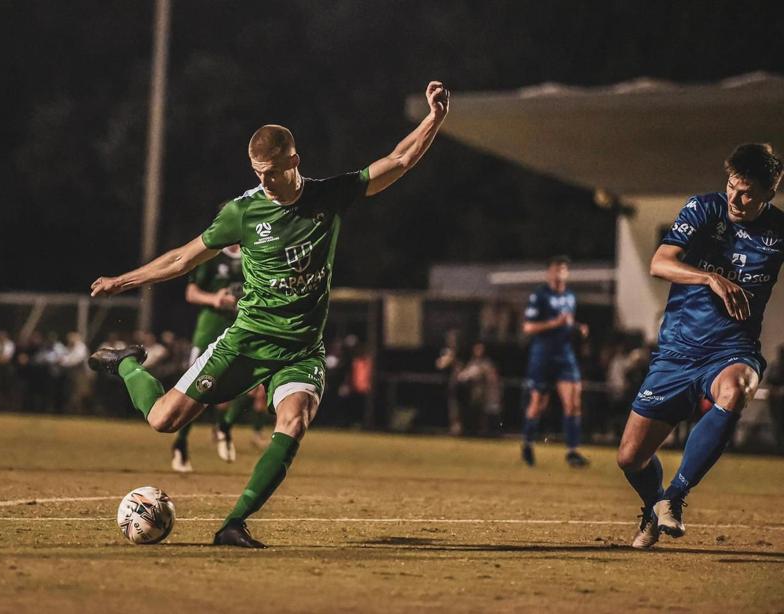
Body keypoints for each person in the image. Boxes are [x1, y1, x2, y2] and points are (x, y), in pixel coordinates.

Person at [88, 81, 450, 547]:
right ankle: (126, 363)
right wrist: (124, 280)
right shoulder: (243, 212)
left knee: (293, 421)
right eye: (258, 172)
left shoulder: (328, 197)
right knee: (162, 420)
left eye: (272, 172)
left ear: (294, 161)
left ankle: (233, 525)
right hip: (249, 338)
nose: (264, 181)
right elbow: (183, 258)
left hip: (301, 349)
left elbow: (398, 160)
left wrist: (434, 119)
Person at [617, 143, 784, 549]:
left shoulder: (779, 230)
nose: (735, 198)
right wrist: (710, 277)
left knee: (738, 387)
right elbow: (660, 262)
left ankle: (674, 496)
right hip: (677, 351)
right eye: (731, 186)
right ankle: (653, 508)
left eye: (747, 192)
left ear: (770, 192)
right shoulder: (704, 210)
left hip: (731, 350)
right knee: (629, 458)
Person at [170, 243, 250, 472]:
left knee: (253, 385)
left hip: (243, 328)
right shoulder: (211, 256)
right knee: (198, 391)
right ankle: (181, 444)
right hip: (210, 329)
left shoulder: (256, 250)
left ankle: (224, 427)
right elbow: (191, 293)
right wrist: (214, 298)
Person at [520, 256, 590, 467]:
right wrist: (554, 323)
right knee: (538, 404)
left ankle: (572, 452)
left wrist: (578, 327)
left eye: (564, 270)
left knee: (574, 401)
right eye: (556, 269)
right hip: (543, 355)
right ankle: (528, 443)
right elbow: (528, 327)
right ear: (549, 272)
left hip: (565, 355)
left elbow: (566, 322)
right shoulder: (539, 295)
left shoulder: (570, 296)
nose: (560, 273)